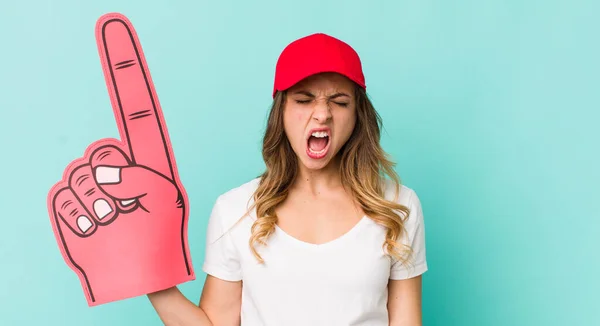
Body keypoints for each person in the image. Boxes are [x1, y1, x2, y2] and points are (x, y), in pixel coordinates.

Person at [147, 32, 428, 326]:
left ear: (358, 115)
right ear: (280, 112)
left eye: (340, 102)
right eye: (304, 100)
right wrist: (150, 277)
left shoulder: (397, 206)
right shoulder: (235, 209)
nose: (322, 114)